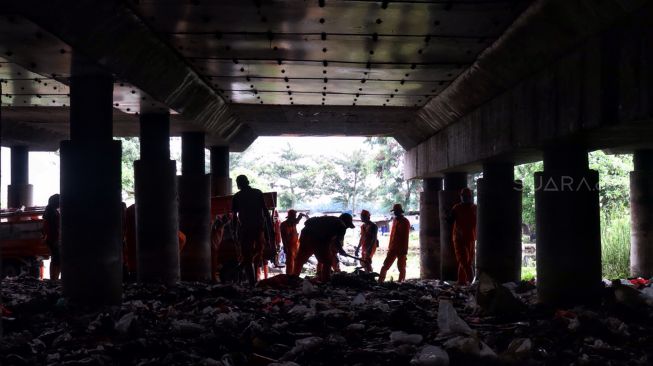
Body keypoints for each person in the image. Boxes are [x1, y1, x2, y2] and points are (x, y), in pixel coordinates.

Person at [292, 213, 355, 282]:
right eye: (348, 225)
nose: (347, 227)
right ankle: (325, 281)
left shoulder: (332, 220)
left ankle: (294, 278)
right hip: (317, 238)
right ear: (346, 221)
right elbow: (336, 242)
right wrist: (341, 250)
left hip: (306, 234)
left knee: (301, 259)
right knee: (327, 261)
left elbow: (332, 241)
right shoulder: (341, 225)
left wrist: (338, 250)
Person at [232, 175, 268, 285]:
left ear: (238, 184)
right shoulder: (258, 193)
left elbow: (234, 216)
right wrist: (268, 229)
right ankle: (252, 278)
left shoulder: (237, 196)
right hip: (258, 228)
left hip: (246, 229)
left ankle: (251, 281)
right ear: (247, 182)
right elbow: (265, 211)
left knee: (247, 255)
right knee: (258, 251)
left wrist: (234, 231)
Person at [449, 188, 477, 285]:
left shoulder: (475, 208)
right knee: (464, 261)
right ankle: (472, 282)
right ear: (461, 197)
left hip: (471, 239)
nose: (465, 198)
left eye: (467, 197)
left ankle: (461, 282)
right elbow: (449, 220)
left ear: (470, 197)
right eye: (464, 197)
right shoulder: (456, 208)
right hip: (459, 239)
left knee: (468, 262)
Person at [378, 204, 411, 283]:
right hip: (393, 248)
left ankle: (401, 282)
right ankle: (380, 281)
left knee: (401, 268)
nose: (395, 213)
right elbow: (392, 235)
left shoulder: (405, 222)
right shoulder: (395, 220)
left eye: (396, 211)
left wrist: (404, 250)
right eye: (394, 211)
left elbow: (406, 237)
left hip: (401, 249)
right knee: (385, 265)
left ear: (400, 212)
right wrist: (390, 247)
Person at [279, 210, 307, 275]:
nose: (295, 218)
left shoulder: (293, 223)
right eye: (294, 216)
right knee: (290, 262)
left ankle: (294, 275)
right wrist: (286, 247)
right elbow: (284, 237)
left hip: (295, 245)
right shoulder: (284, 224)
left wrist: (300, 216)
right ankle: (289, 275)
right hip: (289, 246)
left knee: (295, 261)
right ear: (290, 217)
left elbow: (296, 221)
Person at [42, 194, 61, 280]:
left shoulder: (48, 210)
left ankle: (54, 277)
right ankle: (54, 278)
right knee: (57, 258)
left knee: (55, 258)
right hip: (53, 239)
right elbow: (54, 227)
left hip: (51, 239)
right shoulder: (53, 212)